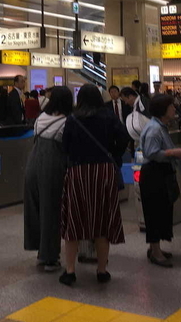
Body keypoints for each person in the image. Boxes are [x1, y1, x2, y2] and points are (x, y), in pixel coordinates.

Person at [58, 85, 130, 286]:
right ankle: (102, 270)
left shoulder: (72, 119)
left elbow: (65, 146)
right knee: (102, 219)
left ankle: (70, 270)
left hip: (78, 172)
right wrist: (113, 155)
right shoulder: (108, 116)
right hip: (104, 171)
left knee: (74, 218)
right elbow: (124, 138)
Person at [24, 86, 73, 272]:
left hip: (33, 164)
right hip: (52, 167)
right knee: (51, 211)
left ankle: (40, 251)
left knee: (35, 209)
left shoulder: (40, 118)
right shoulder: (66, 122)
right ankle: (50, 257)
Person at [139, 94, 181, 268]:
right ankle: (156, 252)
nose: (174, 109)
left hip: (159, 173)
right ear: (163, 110)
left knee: (160, 211)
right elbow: (152, 152)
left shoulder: (159, 126)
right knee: (155, 213)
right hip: (154, 174)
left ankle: (154, 248)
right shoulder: (154, 129)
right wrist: (173, 153)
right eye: (171, 107)